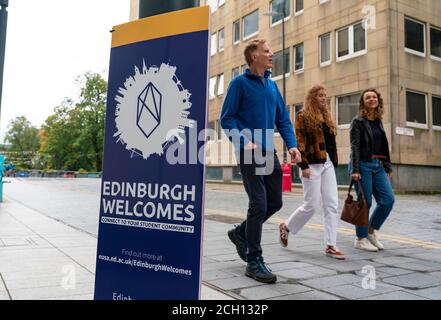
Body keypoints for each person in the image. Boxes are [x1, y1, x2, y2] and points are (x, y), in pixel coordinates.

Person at [220, 39, 301, 284]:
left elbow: (283, 120)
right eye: (266, 51)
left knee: (274, 202)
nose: (271, 54)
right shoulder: (239, 84)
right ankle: (254, 260)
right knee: (258, 202)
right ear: (253, 56)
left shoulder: (272, 86)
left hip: (268, 150)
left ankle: (241, 232)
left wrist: (293, 145)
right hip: (249, 151)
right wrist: (244, 141)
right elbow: (227, 119)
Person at [278, 85, 345, 260]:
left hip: (327, 163)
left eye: (325, 95)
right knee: (311, 205)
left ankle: (331, 245)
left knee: (332, 204)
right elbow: (300, 143)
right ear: (312, 97)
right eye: (320, 95)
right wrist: (304, 166)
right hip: (312, 164)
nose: (323, 98)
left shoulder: (327, 117)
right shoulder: (303, 116)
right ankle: (286, 227)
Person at [349, 88, 395, 252]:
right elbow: (354, 146)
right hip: (362, 165)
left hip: (378, 165)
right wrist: (355, 169)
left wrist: (387, 165)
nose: (371, 99)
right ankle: (360, 239)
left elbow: (384, 145)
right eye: (368, 97)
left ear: (378, 100)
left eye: (374, 97)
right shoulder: (357, 121)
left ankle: (370, 231)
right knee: (365, 202)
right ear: (363, 102)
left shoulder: (378, 120)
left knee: (388, 200)